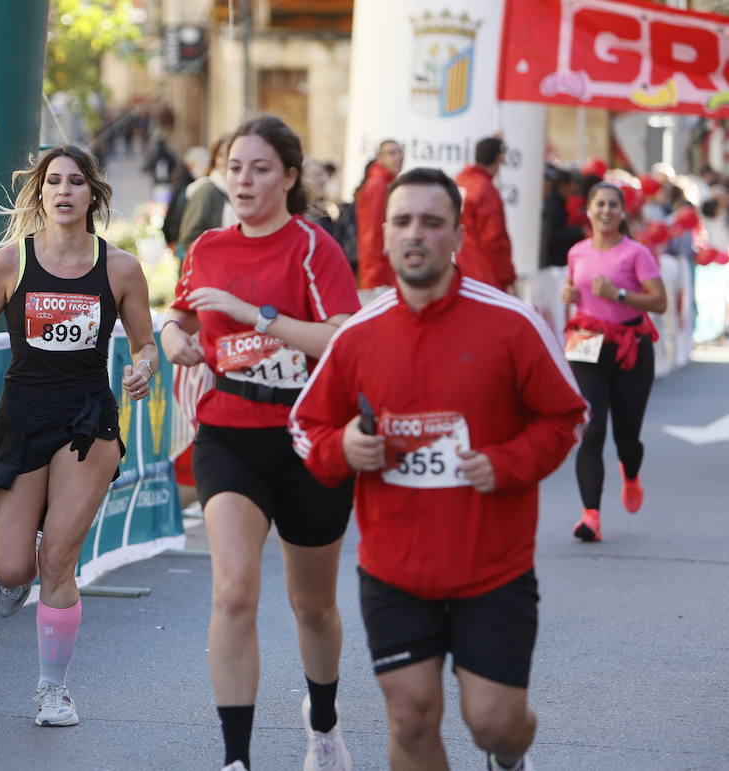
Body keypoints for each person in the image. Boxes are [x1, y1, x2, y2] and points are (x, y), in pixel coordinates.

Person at [291, 167, 588, 771]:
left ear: (457, 234)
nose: (416, 234)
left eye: (432, 222)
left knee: (495, 724)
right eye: (402, 221)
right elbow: (306, 426)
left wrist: (505, 463)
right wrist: (343, 447)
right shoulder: (358, 336)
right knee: (410, 719)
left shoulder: (511, 322)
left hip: (492, 568)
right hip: (395, 570)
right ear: (382, 235)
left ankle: (510, 757)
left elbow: (567, 417)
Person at [161, 115, 360, 771]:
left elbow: (341, 339)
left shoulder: (313, 247)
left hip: (309, 443)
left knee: (314, 606)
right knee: (234, 590)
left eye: (260, 168)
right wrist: (176, 342)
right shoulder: (210, 246)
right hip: (231, 435)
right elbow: (181, 314)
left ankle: (324, 721)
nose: (244, 181)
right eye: (235, 167)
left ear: (290, 177)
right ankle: (236, 758)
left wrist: (257, 318)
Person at [0, 145, 156, 729]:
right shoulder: (10, 262)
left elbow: (146, 343)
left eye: (75, 182)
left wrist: (142, 368)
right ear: (39, 193)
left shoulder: (119, 268)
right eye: (53, 182)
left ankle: (54, 691)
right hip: (22, 415)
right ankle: (12, 571)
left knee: (59, 560)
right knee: (15, 566)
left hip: (86, 419)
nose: (64, 191)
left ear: (92, 194)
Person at [562, 182, 668, 542]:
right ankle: (590, 516)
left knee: (627, 438)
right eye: (599, 204)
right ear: (589, 210)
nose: (606, 211)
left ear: (623, 213)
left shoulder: (636, 254)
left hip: (631, 348)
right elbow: (573, 284)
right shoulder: (577, 252)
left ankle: (631, 472)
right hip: (588, 346)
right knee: (590, 430)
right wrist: (568, 292)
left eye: (612, 205)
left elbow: (660, 302)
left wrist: (618, 294)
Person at [455, 136, 516, 292]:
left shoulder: (460, 180)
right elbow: (494, 239)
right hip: (484, 273)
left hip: (460, 268)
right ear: (499, 158)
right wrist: (507, 276)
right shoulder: (485, 189)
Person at [355, 139, 404, 297]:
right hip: (379, 276)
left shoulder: (387, 183)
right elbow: (372, 234)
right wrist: (374, 278)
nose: (398, 157)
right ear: (380, 158)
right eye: (392, 153)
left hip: (385, 271)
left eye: (400, 152)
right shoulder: (379, 185)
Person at [177, 133, 235, 260]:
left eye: (230, 153)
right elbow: (188, 238)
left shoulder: (242, 191)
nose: (225, 159)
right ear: (214, 159)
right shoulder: (206, 191)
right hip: (211, 270)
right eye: (220, 155)